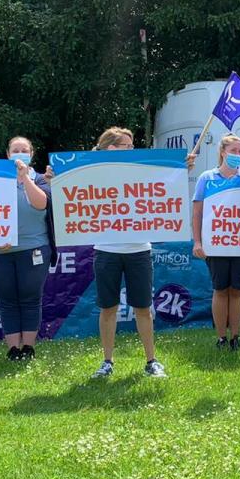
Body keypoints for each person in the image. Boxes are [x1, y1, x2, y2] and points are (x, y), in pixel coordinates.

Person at [90, 127, 168, 377]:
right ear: (112, 148)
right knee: (108, 308)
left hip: (139, 249)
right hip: (106, 249)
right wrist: (53, 178)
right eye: (127, 145)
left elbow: (166, 180)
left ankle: (151, 361)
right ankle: (107, 362)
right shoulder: (92, 173)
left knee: (143, 308)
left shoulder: (141, 170)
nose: (133, 149)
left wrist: (181, 167)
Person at [0, 136, 53, 362]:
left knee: (31, 298)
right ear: (7, 154)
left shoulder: (42, 179)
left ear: (31, 154)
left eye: (24, 150)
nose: (19, 153)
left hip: (34, 248)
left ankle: (28, 348)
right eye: (15, 150)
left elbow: (41, 203)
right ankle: (13, 349)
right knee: (7, 300)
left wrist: (25, 179)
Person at [193, 134, 240, 351]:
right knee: (220, 290)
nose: (237, 155)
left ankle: (235, 336)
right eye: (233, 150)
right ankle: (221, 337)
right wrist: (198, 242)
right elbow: (197, 213)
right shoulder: (206, 178)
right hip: (215, 244)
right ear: (222, 151)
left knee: (236, 290)